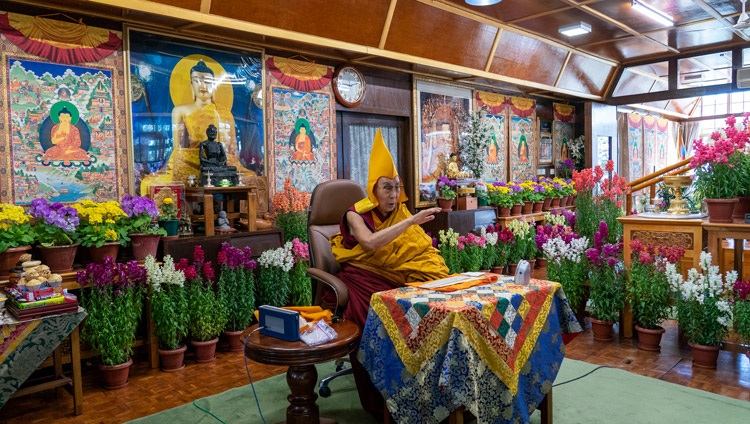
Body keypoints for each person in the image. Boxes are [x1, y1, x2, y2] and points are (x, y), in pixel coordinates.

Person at [327, 129, 449, 420]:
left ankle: (426, 387)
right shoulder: (354, 214)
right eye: (386, 188)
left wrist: (409, 222)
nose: (393, 195)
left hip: (396, 276)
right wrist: (411, 221)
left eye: (396, 187)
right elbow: (369, 244)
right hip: (362, 277)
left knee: (424, 309)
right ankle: (381, 395)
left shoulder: (400, 213)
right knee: (378, 317)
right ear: (373, 189)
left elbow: (419, 252)